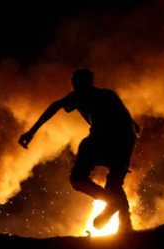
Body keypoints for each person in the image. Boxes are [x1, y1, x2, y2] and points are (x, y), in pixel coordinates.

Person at [19, 69, 139, 233]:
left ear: (78, 84)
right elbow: (127, 119)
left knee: (78, 178)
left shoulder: (80, 95)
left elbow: (55, 106)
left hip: (107, 137)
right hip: (126, 139)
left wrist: (31, 132)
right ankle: (125, 225)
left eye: (74, 84)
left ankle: (112, 202)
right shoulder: (108, 95)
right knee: (115, 183)